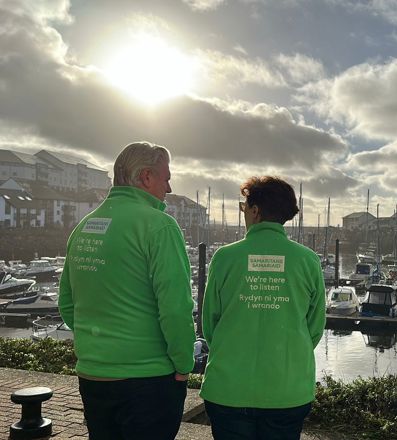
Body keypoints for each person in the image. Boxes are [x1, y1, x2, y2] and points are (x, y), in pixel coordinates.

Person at [58, 141, 196, 440]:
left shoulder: (84, 226)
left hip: (93, 375)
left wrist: (101, 344)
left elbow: (67, 305)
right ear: (146, 177)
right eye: (166, 177)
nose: (169, 188)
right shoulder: (159, 226)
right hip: (147, 378)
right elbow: (175, 308)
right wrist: (184, 364)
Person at [200, 176, 326, 440]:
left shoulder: (224, 258)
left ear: (255, 210)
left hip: (228, 388)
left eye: (244, 207)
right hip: (287, 390)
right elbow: (314, 327)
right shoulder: (308, 261)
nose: (244, 212)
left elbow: (210, 323)